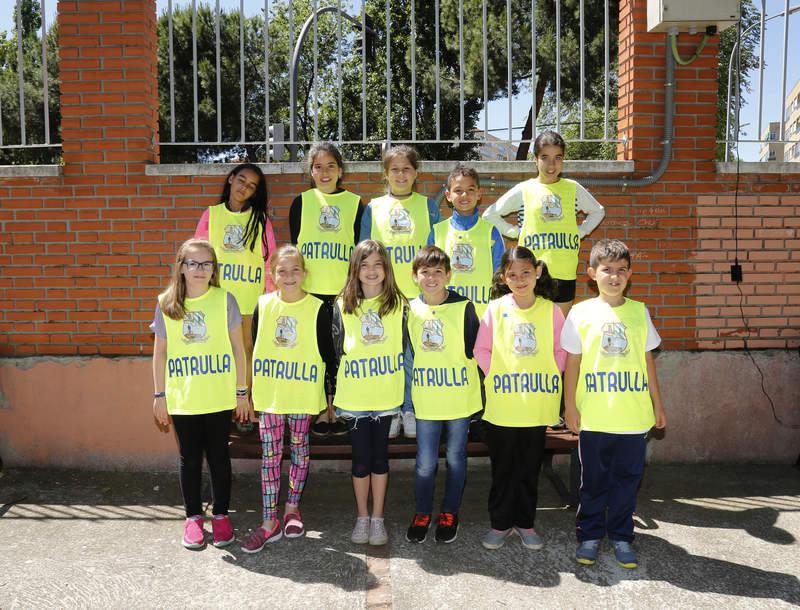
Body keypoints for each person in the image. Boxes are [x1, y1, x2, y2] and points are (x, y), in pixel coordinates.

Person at [561, 239, 666, 569]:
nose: (615, 276)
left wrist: (657, 405)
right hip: (594, 416)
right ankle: (590, 535)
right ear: (592, 274)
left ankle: (621, 536)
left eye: (622, 270)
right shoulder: (580, 312)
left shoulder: (638, 311)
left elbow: (648, 361)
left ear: (630, 275)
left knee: (627, 481)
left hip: (633, 417)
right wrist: (570, 407)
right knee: (592, 482)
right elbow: (572, 364)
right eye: (607, 270)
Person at [150, 239, 250, 549]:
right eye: (192, 263)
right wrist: (159, 395)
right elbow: (160, 353)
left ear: (214, 269)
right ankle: (193, 517)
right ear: (180, 267)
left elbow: (238, 349)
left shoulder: (224, 300)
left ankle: (220, 515)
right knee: (189, 459)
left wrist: (242, 392)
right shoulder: (167, 302)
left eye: (206, 263)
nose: (199, 269)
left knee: (219, 458)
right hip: (184, 397)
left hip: (219, 395)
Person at [240, 245, 336, 553]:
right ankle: (269, 521)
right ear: (272, 275)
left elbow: (328, 353)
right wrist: (246, 390)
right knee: (269, 458)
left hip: (302, 392)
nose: (290, 276)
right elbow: (254, 348)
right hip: (271, 394)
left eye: (296, 270)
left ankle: (292, 508)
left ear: (305, 274)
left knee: (299, 452)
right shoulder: (263, 305)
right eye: (282, 270)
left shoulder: (320, 308)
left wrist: (329, 398)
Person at [474, 246, 566, 550]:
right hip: (503, 406)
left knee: (528, 469)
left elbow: (562, 351)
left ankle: (526, 524)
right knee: (503, 469)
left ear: (537, 272)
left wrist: (550, 373)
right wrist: (498, 374)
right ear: (504, 277)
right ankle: (500, 524)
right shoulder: (495, 309)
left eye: (526, 272)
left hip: (536, 406)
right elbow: (481, 350)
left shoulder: (550, 310)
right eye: (512, 274)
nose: (520, 279)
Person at [361, 145, 441, 439]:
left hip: (420, 296)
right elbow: (364, 252)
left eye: (407, 168)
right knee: (390, 355)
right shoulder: (374, 207)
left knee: (413, 356)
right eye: (394, 169)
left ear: (416, 173)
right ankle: (391, 409)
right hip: (387, 297)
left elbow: (436, 252)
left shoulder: (427, 206)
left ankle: (410, 409)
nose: (401, 174)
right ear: (386, 174)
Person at [331, 240, 408, 546]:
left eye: (378, 264)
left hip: (386, 396)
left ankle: (378, 518)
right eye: (365, 265)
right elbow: (335, 352)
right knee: (360, 461)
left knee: (380, 460)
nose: (372, 271)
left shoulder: (399, 305)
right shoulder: (341, 305)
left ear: (386, 269)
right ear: (355, 270)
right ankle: (362, 516)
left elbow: (406, 345)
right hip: (355, 399)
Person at [404, 246, 481, 544]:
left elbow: (477, 351)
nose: (432, 277)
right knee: (425, 462)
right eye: (425, 271)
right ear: (415, 276)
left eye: (438, 271)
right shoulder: (410, 310)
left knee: (456, 458)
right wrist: (406, 404)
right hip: (426, 400)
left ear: (449, 274)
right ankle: (422, 512)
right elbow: (408, 358)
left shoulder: (464, 308)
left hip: (459, 399)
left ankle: (450, 512)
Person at [482, 130, 605, 316]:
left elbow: (598, 211)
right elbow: (490, 214)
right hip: (533, 273)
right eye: (545, 157)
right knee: (534, 331)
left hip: (565, 271)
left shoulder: (572, 188)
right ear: (536, 159)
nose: (551, 164)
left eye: (558, 157)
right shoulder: (525, 189)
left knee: (559, 333)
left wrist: (580, 231)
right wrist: (515, 232)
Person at [290, 142, 364, 438]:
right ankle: (321, 411)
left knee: (341, 353)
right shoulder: (301, 202)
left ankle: (341, 408)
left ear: (340, 171)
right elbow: (296, 246)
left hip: (342, 293)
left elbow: (359, 250)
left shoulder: (356, 204)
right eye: (318, 166)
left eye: (330, 166)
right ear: (311, 171)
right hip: (310, 294)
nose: (324, 172)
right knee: (316, 352)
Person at [194, 163, 277, 400]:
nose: (245, 187)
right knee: (221, 352)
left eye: (252, 186)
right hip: (217, 299)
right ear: (231, 179)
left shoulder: (260, 220)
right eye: (242, 180)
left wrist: (269, 297)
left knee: (246, 352)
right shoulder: (212, 215)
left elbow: (270, 261)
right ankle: (223, 403)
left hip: (249, 299)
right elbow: (197, 254)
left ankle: (244, 403)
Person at [429, 164, 504, 318]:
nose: (464, 195)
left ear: (478, 194)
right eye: (458, 190)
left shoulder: (491, 233)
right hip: (447, 315)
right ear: (448, 196)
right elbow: (429, 275)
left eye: (470, 190)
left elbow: (500, 276)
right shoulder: (437, 232)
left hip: (482, 316)